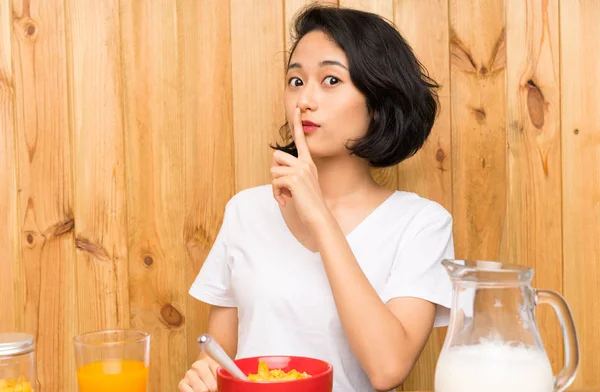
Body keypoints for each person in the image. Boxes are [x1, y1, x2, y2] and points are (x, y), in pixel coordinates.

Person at [178, 4, 454, 392]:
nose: (304, 100)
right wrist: (204, 377)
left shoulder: (422, 223)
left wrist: (320, 219)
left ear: (377, 102)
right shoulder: (246, 210)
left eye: (330, 80)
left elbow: (388, 368)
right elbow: (219, 357)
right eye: (296, 81)